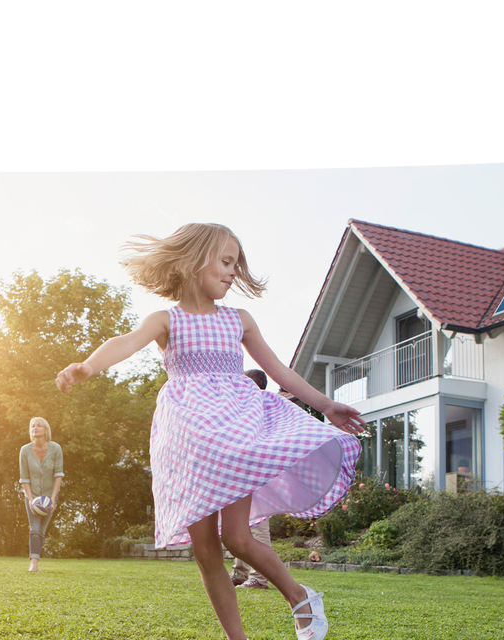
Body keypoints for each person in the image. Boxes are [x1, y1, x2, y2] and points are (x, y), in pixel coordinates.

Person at [56, 223, 364, 640]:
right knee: (205, 550)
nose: (233, 272)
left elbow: (279, 370)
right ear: (192, 260)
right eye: (225, 261)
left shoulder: (238, 320)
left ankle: (301, 598)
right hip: (190, 442)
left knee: (237, 537)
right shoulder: (166, 319)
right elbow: (125, 341)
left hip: (233, 434)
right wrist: (87, 366)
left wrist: (326, 405)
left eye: (236, 264)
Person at [232, 369, 274, 590]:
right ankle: (240, 573)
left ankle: (259, 578)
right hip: (242, 472)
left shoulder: (260, 408)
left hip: (256, 473)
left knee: (257, 525)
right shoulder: (246, 408)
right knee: (238, 526)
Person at [18, 417, 64, 573]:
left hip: (50, 496)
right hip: (33, 496)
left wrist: (53, 498)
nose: (35, 428)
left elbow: (58, 475)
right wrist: (31, 500)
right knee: (34, 528)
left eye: (39, 425)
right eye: (32, 426)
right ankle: (33, 564)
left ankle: (35, 560)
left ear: (46, 430)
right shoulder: (25, 451)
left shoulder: (56, 449)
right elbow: (24, 478)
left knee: (41, 531)